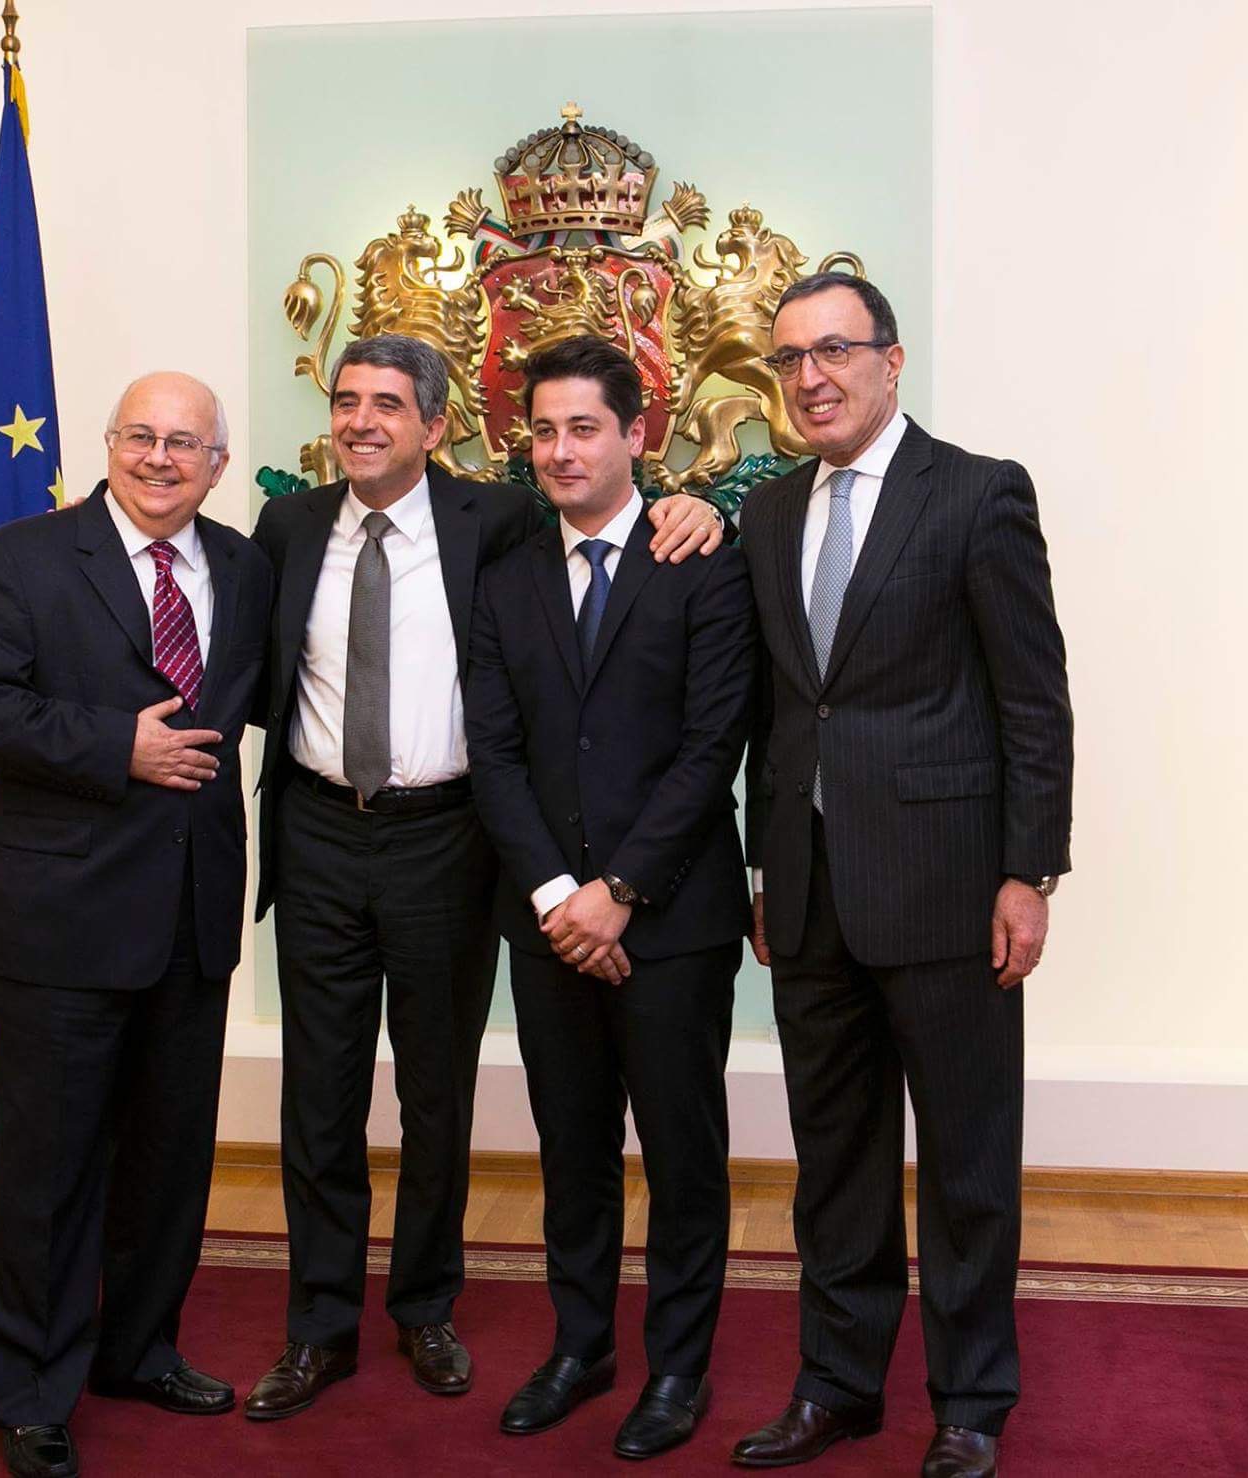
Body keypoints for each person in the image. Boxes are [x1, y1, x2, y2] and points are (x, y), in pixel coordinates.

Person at [245, 333, 725, 1419]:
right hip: (318, 833)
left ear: (435, 425)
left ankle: (425, 1306)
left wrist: (705, 508)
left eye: (387, 404)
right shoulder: (287, 527)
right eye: (346, 400)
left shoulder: (494, 521)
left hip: (445, 840)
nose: (361, 421)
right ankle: (318, 1326)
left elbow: (621, 519)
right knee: (317, 1094)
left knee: (436, 1090)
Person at [731, 276, 1074, 1478]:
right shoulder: (768, 511)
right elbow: (780, 710)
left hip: (946, 886)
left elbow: (1032, 699)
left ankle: (970, 1399)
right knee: (834, 1161)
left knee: (967, 1164)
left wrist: (1026, 872)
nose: (810, 377)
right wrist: (763, 865)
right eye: (789, 359)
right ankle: (835, 1383)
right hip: (806, 893)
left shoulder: (976, 493)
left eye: (833, 350)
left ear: (890, 358)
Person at [0, 371, 273, 1478]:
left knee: (168, 1163)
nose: (159, 457)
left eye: (184, 442)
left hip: (190, 915)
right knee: (49, 1173)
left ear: (217, 465)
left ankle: (140, 1350)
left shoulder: (244, 567)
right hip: (59, 923)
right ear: (109, 443)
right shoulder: (23, 557)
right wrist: (112, 744)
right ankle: (33, 1393)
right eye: (141, 435)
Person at [464, 335, 755, 1460]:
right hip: (549, 927)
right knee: (571, 1149)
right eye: (542, 430)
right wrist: (559, 895)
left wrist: (619, 890)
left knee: (682, 1153)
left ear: (637, 434)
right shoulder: (507, 578)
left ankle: (677, 1366)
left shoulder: (704, 561)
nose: (560, 450)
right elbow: (494, 752)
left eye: (583, 427)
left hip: (671, 921)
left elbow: (712, 745)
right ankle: (580, 1346)